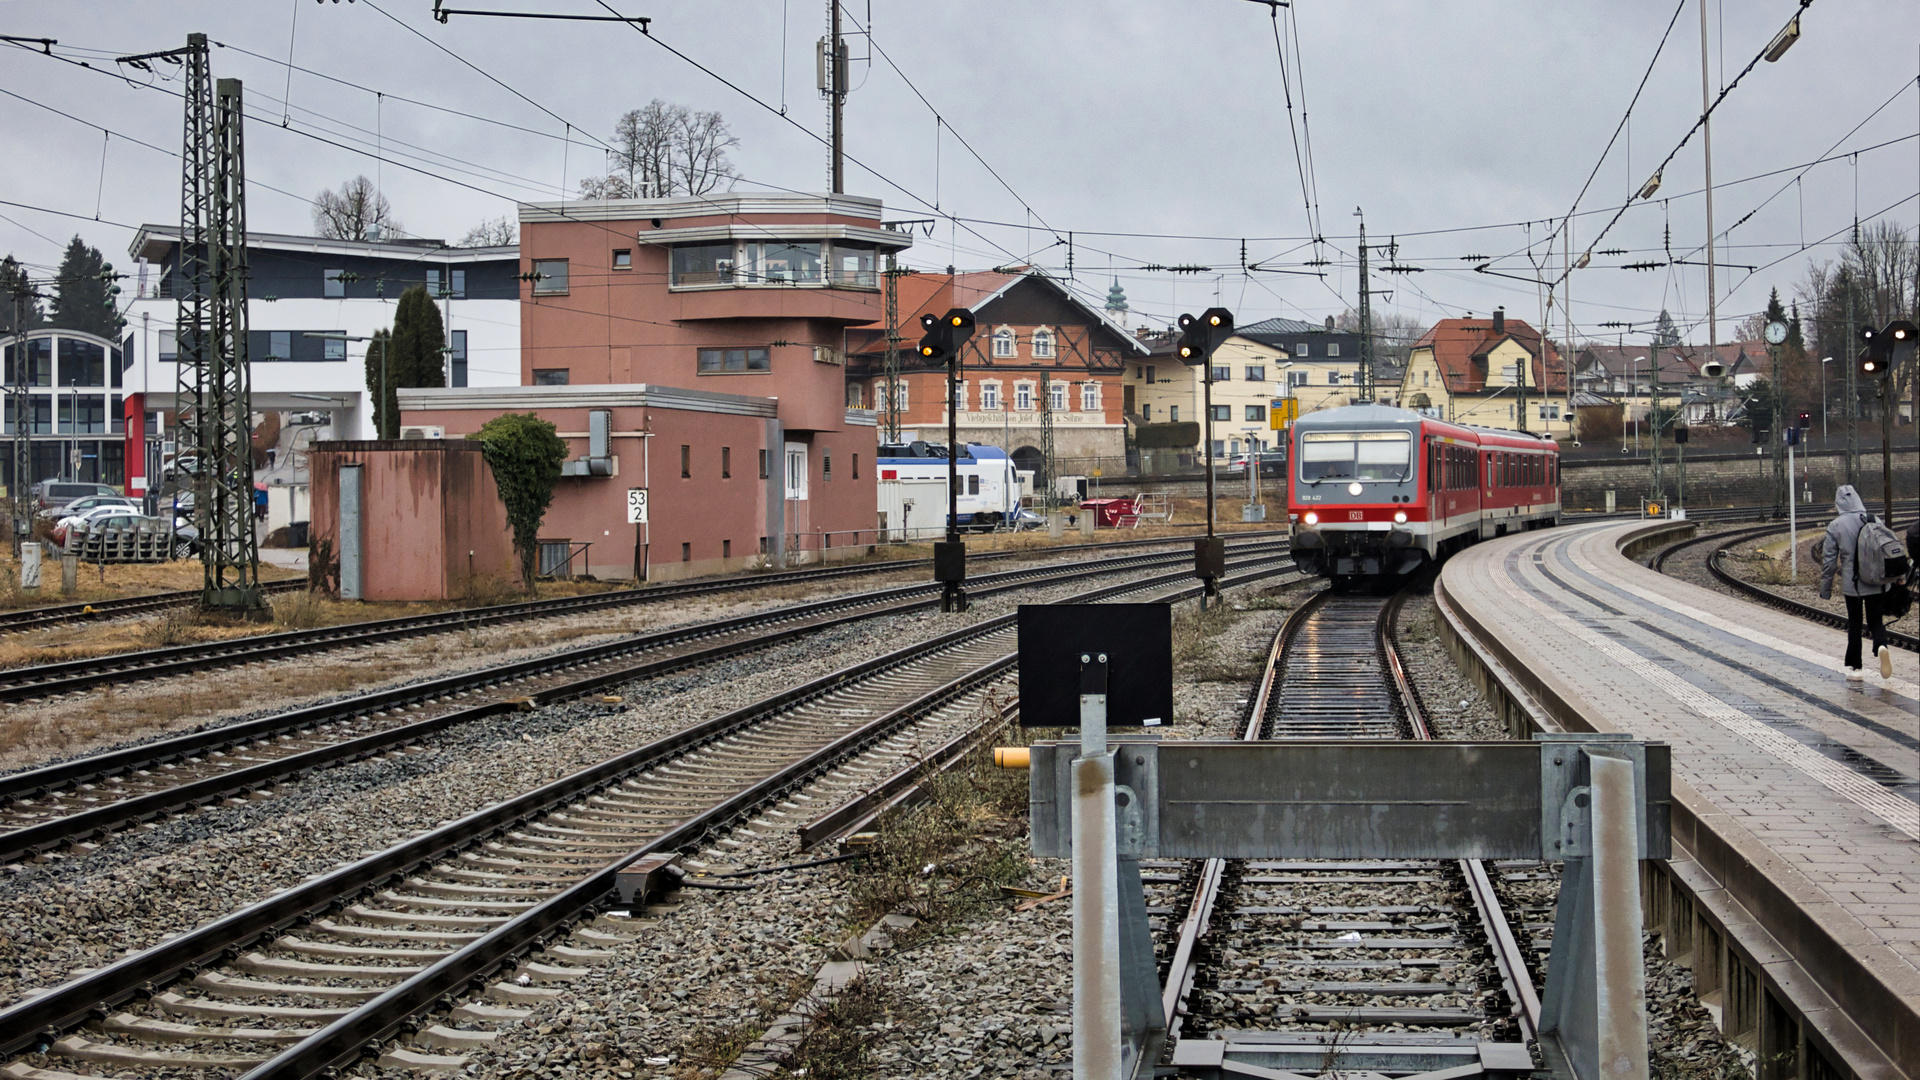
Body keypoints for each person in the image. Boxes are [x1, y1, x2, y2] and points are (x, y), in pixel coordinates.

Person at [1819, 485, 1891, 680]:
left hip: (1853, 585)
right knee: (1876, 620)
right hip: (1876, 581)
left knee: (1855, 623)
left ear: (1838, 503)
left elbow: (1829, 562)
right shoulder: (1873, 519)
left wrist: (1825, 590)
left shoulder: (1836, 525)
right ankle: (1881, 645)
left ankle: (1856, 668)